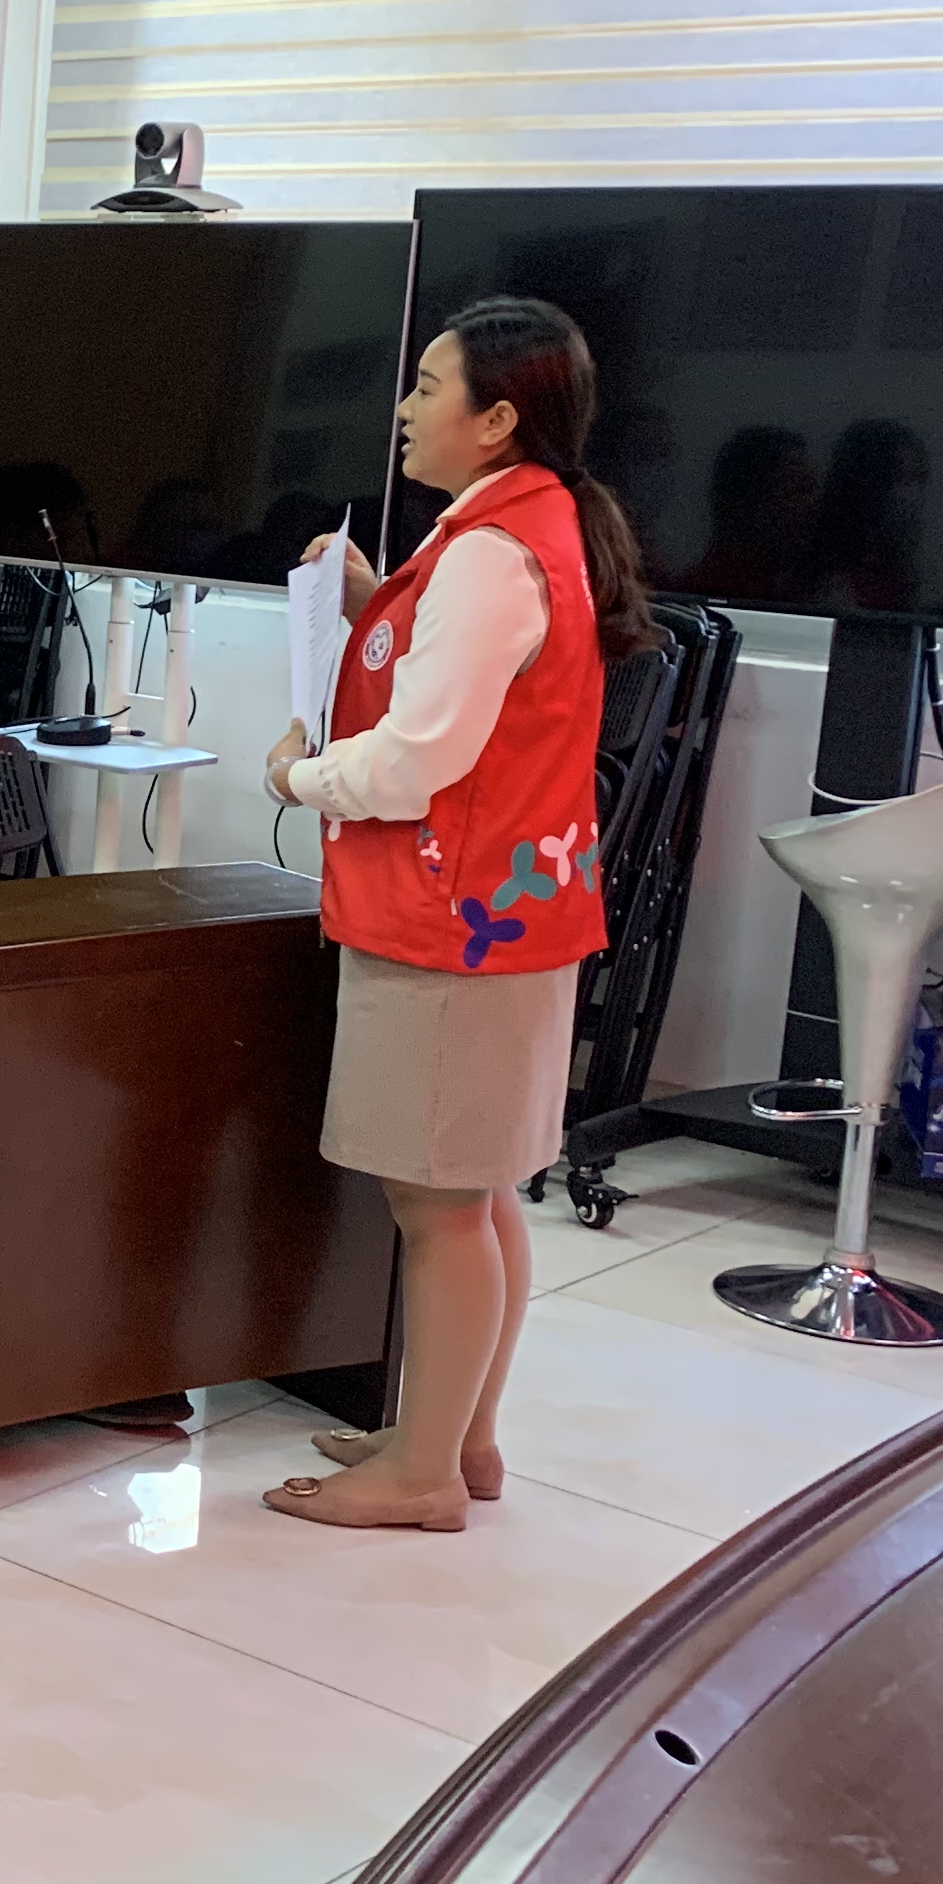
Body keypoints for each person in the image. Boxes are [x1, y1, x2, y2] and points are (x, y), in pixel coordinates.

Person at [262, 295, 649, 1533]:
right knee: (476, 1194)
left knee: (437, 1207)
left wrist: (298, 778)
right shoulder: (525, 527)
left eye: (430, 386)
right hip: (512, 917)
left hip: (450, 921)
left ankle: (422, 1474)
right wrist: (377, 599)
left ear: (497, 419)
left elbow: (417, 760)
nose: (406, 407)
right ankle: (456, 1439)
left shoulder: (489, 552)